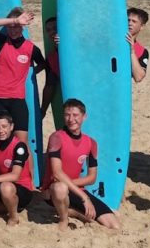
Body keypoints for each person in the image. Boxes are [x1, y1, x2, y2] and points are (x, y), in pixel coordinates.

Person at [42, 99, 120, 230]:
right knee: (60, 188)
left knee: (114, 225)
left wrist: (74, 188)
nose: (71, 119)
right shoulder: (56, 138)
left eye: (75, 115)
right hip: (53, 191)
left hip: (75, 190)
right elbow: (57, 173)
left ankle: (73, 212)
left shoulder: (91, 143)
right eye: (67, 115)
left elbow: (91, 178)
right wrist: (84, 197)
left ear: (84, 117)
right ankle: (63, 219)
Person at [0, 7, 46, 144]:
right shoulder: (2, 41)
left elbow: (42, 64)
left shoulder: (32, 49)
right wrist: (15, 20)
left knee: (21, 144)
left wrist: (29, 73)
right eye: (10, 27)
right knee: (2, 140)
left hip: (17, 99)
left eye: (17, 26)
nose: (13, 30)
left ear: (23, 27)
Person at [39, 16, 62, 120]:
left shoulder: (78, 47)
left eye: (55, 28)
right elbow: (49, 85)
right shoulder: (51, 58)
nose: (52, 32)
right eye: (48, 30)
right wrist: (43, 110)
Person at [127, 7, 149, 83]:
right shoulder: (112, 41)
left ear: (142, 26)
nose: (129, 23)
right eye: (128, 20)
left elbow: (138, 77)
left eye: (134, 21)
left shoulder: (142, 51)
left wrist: (132, 51)